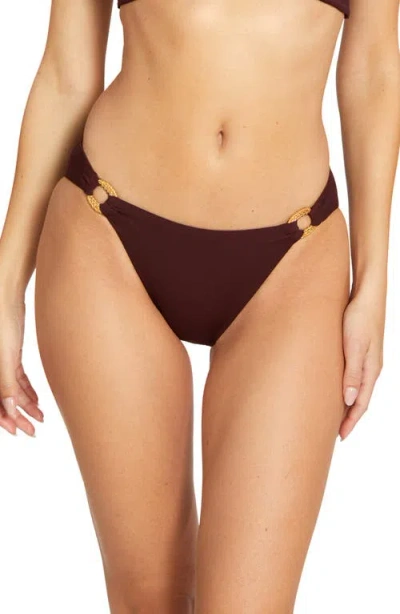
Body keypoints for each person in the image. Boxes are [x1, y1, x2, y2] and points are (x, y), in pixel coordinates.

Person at [0, 1, 399, 612]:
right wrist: (5, 289)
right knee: (149, 599)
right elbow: (67, 73)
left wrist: (374, 285)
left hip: (292, 260)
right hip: (107, 237)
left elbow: (374, 70)